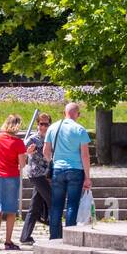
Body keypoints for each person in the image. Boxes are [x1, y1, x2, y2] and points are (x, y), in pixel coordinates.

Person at [44, 102, 92, 240]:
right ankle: (70, 238)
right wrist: (87, 177)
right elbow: (85, 155)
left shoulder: (52, 128)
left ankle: (54, 237)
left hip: (58, 170)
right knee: (72, 204)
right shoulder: (80, 129)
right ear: (78, 114)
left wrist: (51, 162)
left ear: (64, 112)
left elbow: (46, 151)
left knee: (56, 206)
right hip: (76, 170)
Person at [0, 114, 27, 250]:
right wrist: (26, 153)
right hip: (11, 176)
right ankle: (8, 241)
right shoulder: (18, 143)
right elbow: (22, 164)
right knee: (11, 211)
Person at [19, 112, 52, 245]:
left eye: (46, 124)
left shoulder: (51, 138)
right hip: (36, 175)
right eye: (40, 124)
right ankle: (56, 234)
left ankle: (25, 236)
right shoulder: (32, 139)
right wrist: (28, 152)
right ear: (37, 124)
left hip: (46, 174)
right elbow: (21, 152)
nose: (43, 127)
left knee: (34, 206)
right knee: (53, 201)